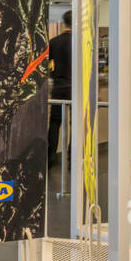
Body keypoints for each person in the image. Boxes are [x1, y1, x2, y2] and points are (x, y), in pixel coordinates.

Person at [47, 10, 72, 167]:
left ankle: (50, 157)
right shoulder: (80, 41)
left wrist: (54, 73)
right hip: (75, 88)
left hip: (58, 87)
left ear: (64, 23)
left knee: (55, 122)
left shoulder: (54, 42)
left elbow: (46, 65)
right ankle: (71, 158)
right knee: (75, 123)